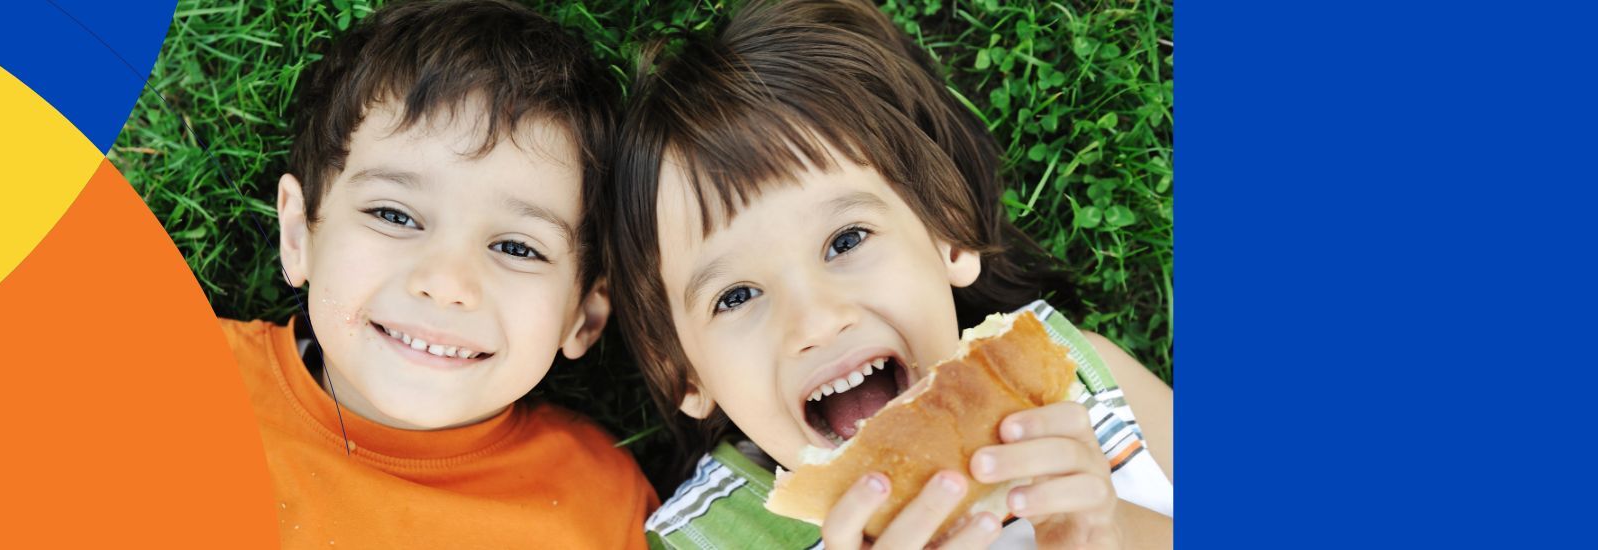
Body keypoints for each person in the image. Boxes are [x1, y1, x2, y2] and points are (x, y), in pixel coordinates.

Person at [602, 0, 1173, 547]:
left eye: (845, 240)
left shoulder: (1084, 384)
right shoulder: (703, 538)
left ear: (946, 233)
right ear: (683, 374)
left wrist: (1109, 535)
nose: (817, 321)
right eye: (736, 295)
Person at [219, 1, 656, 546]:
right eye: (394, 215)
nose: (447, 283)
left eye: (518, 248)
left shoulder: (602, 504)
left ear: (585, 316)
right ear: (298, 235)